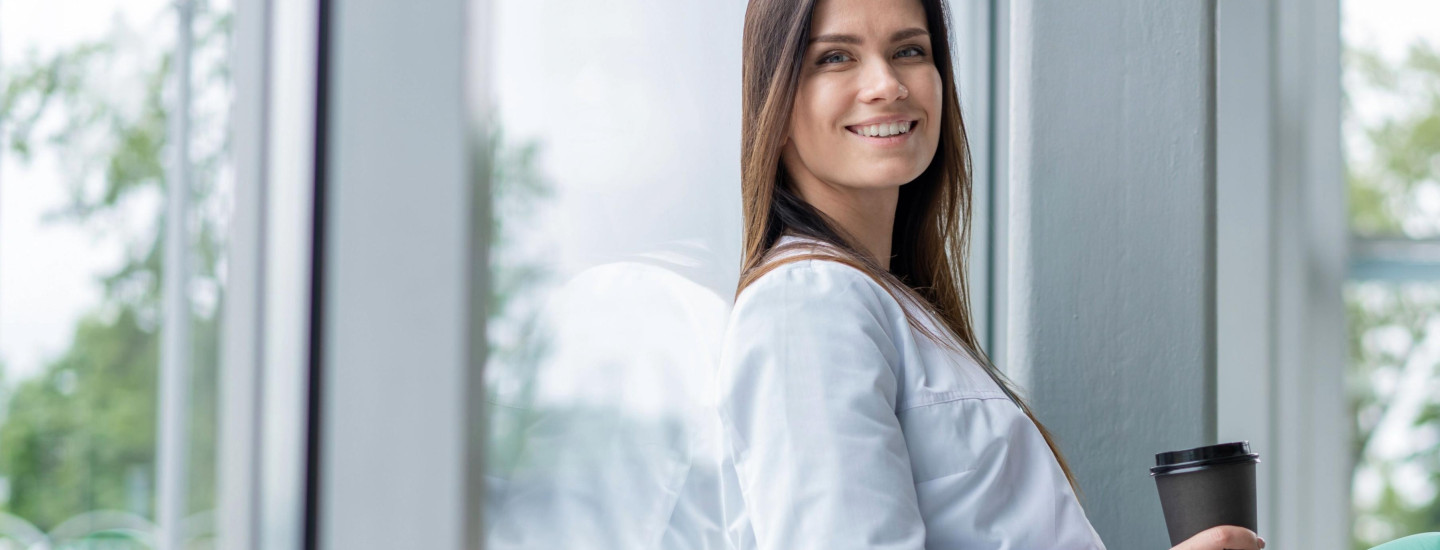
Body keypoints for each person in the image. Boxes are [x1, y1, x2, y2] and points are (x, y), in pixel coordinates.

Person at [714, 0, 1266, 548]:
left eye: (909, 50)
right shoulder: (805, 303)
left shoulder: (880, 300)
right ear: (776, 101)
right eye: (835, 57)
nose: (886, 84)